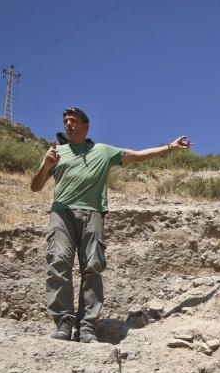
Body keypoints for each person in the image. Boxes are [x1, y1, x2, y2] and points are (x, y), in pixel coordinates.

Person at [30, 106, 191, 342]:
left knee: (92, 267)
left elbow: (138, 155)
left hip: (93, 213)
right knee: (58, 262)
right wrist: (46, 165)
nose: (68, 125)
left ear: (86, 126)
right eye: (65, 121)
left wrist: (170, 147)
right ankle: (64, 322)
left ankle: (86, 326)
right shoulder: (56, 152)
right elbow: (35, 186)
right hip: (61, 213)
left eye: (73, 121)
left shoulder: (103, 151)